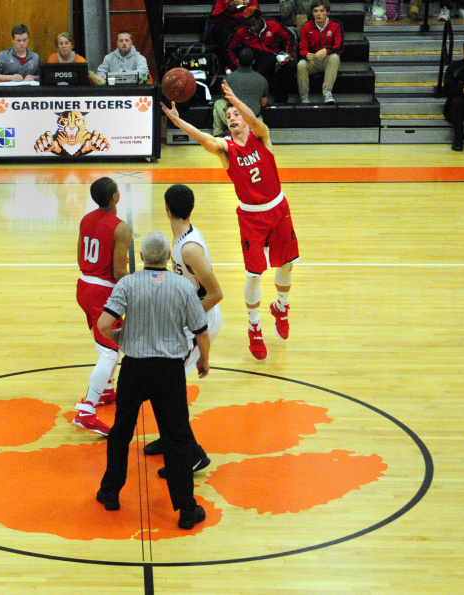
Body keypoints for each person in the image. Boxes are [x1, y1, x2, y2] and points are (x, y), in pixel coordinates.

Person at [163, 81, 299, 361]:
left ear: (248, 120)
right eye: (228, 116)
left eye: (236, 114)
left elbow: (253, 118)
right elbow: (204, 139)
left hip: (278, 209)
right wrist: (179, 122)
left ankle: (281, 307)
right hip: (251, 216)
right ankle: (254, 327)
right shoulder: (226, 149)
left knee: (286, 265)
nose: (233, 118)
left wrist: (236, 100)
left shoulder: (262, 136)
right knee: (253, 274)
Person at [95, 231, 210, 531]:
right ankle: (186, 510)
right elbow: (201, 330)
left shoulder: (128, 284)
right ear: (168, 259)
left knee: (121, 431)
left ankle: (110, 493)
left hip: (134, 369)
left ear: (143, 257)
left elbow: (104, 324)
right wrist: (203, 360)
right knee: (177, 438)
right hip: (169, 372)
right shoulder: (183, 287)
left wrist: (122, 338)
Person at [143, 184, 223, 478]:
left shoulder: (189, 248)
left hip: (201, 321)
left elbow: (216, 293)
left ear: (166, 208)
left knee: (168, 388)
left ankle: (193, 455)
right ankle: (170, 439)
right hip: (189, 319)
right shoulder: (180, 237)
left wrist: (188, 320)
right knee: (164, 384)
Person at [73, 177, 132, 436]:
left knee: (109, 344)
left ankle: (107, 390)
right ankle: (87, 411)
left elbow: (79, 258)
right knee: (109, 352)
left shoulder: (86, 219)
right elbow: (120, 271)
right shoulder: (121, 228)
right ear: (115, 197)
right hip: (103, 293)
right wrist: (136, 287)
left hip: (84, 286)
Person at [227, 8, 296, 103]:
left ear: (260, 18)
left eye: (254, 24)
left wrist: (287, 55)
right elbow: (227, 48)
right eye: (249, 25)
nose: (251, 28)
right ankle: (252, 98)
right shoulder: (241, 31)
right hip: (255, 60)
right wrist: (238, 66)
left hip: (273, 57)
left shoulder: (272, 23)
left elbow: (290, 37)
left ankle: (281, 103)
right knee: (270, 60)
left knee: (290, 64)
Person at [296, 0, 343, 104]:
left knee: (335, 57)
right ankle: (304, 98)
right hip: (313, 61)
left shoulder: (336, 25)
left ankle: (327, 93)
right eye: (315, 11)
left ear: (328, 12)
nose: (318, 14)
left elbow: (340, 46)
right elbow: (302, 49)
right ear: (312, 13)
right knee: (301, 64)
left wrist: (327, 50)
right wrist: (306, 54)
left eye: (322, 11)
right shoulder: (306, 27)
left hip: (328, 59)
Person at [213, 47, 267, 136]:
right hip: (253, 123)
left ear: (237, 61)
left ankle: (218, 135)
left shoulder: (227, 79)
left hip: (234, 122)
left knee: (218, 103)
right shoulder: (262, 80)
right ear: (253, 62)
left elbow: (226, 100)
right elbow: (263, 103)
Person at [207, 0, 258, 68]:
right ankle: (227, 69)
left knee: (254, 32)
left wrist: (249, 10)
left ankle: (252, 69)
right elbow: (213, 19)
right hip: (227, 27)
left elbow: (258, 16)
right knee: (225, 36)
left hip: (246, 26)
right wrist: (228, 10)